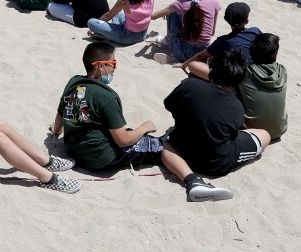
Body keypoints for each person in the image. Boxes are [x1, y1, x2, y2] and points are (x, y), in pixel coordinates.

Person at [50, 41, 234, 202]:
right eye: (113, 63)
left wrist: (56, 132)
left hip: (74, 149)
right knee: (161, 144)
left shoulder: (73, 83)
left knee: (132, 133)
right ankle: (193, 182)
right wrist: (145, 127)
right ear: (101, 66)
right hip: (100, 157)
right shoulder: (106, 96)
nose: (115, 68)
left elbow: (59, 118)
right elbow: (123, 140)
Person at [163, 48, 271, 187]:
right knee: (264, 135)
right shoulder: (237, 107)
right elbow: (233, 134)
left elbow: (168, 105)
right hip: (215, 166)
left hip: (179, 148)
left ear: (211, 70)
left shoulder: (189, 85)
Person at [175, 2, 261, 78]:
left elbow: (201, 56)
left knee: (193, 65)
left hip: (234, 79)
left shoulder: (223, 40)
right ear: (247, 21)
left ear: (227, 20)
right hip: (254, 73)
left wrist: (184, 64)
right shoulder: (256, 31)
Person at [152, 0, 220, 63]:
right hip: (204, 53)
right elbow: (212, 32)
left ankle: (171, 45)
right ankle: (178, 57)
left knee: (173, 12)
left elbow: (153, 16)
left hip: (185, 51)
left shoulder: (181, 4)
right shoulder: (215, 3)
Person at [239, 33, 288, 140]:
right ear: (275, 56)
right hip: (279, 130)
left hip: (251, 131)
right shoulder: (282, 71)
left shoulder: (245, 73)